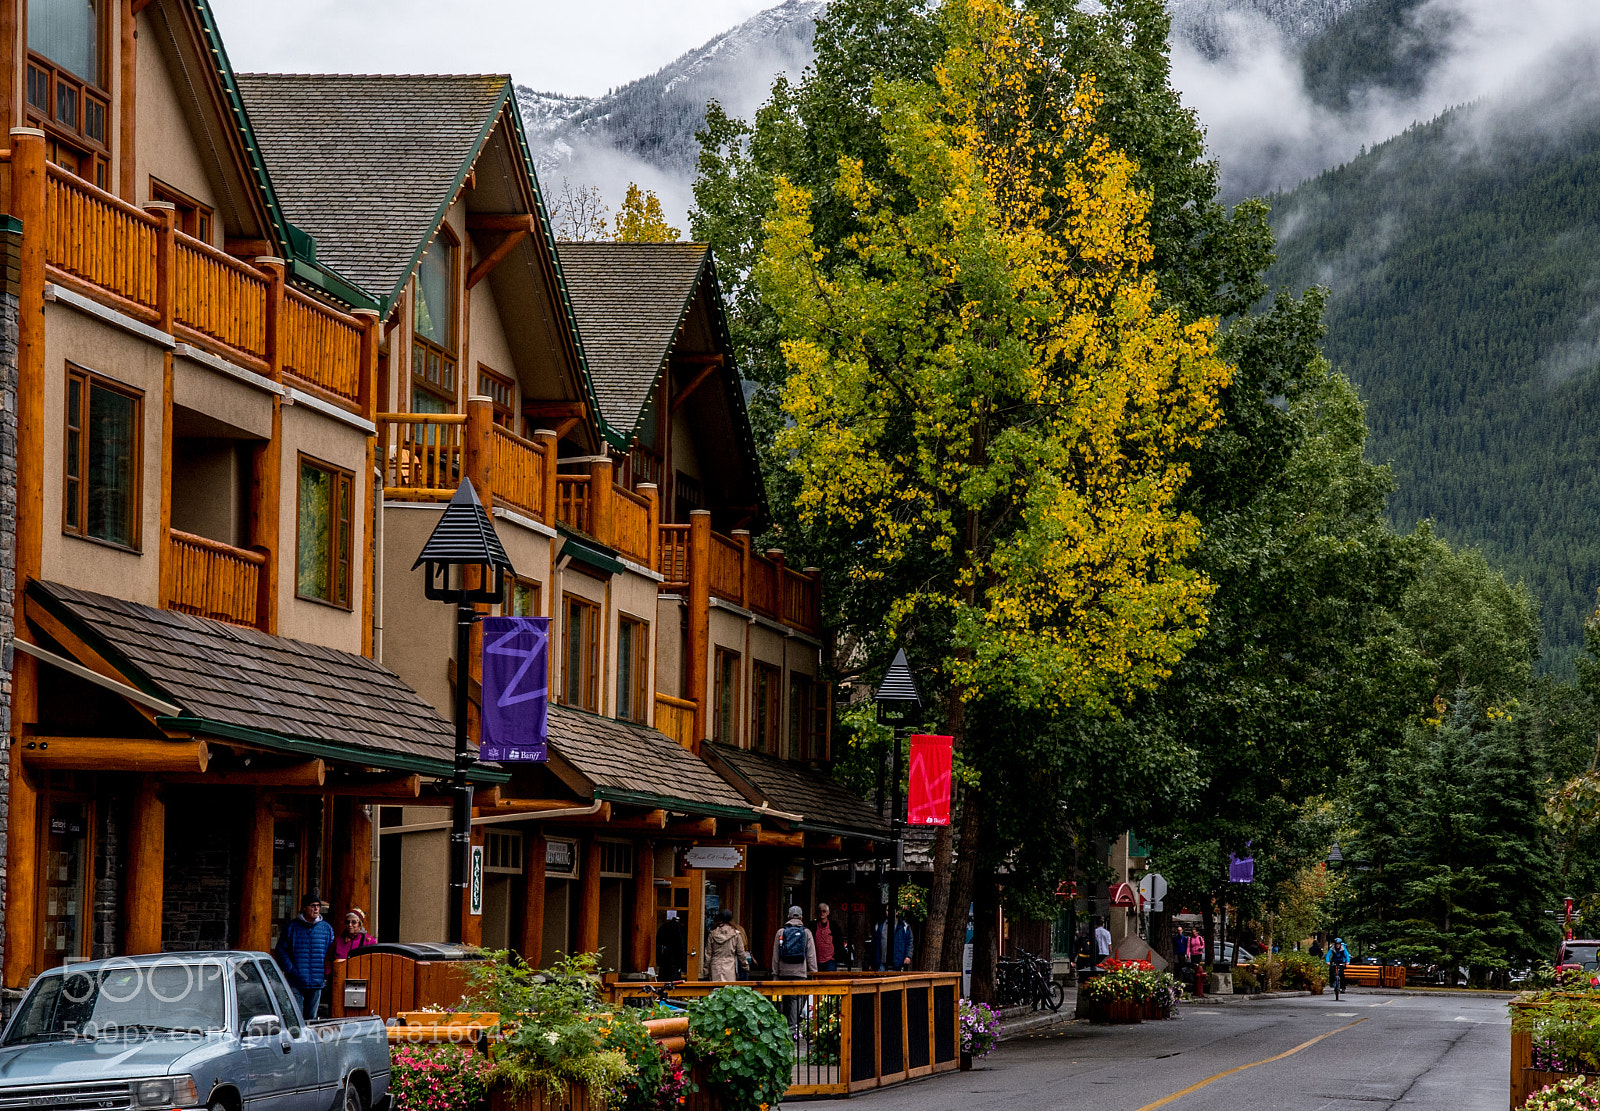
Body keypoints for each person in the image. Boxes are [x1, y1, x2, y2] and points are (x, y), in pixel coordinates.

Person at [276, 893, 335, 1019]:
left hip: (317, 981)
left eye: (318, 906)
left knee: (311, 1018)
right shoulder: (292, 927)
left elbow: (331, 953)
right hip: (296, 980)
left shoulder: (326, 929)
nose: (316, 909)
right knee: (295, 1017)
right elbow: (281, 951)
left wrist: (326, 972)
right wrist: (291, 969)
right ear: (304, 908)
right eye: (313, 906)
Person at [706, 909, 743, 981]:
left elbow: (708, 954)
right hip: (729, 966)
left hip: (715, 966)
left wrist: (705, 970)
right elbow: (741, 953)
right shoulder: (736, 934)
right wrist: (745, 966)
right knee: (729, 990)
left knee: (715, 990)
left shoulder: (712, 934)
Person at [813, 903, 840, 972]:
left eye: (824, 911)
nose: (822, 913)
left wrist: (836, 957)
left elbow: (838, 941)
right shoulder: (813, 925)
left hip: (830, 960)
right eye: (820, 911)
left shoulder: (833, 925)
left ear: (828, 912)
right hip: (816, 961)